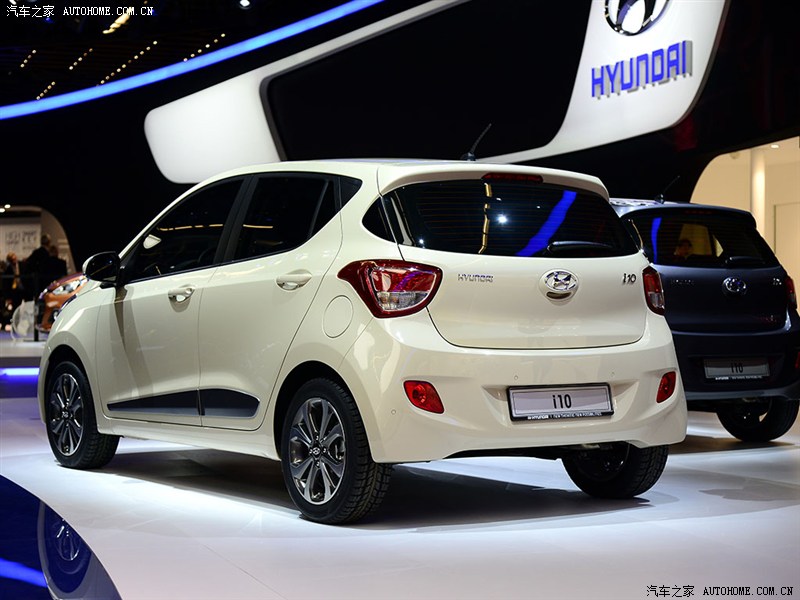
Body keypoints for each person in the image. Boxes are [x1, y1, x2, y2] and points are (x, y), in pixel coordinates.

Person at [2, 252, 24, 328]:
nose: (14, 260)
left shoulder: (21, 265)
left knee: (20, 308)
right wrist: (7, 297)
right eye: (12, 260)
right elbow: (6, 284)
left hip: (21, 290)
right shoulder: (8, 269)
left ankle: (17, 324)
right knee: (13, 308)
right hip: (13, 292)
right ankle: (13, 324)